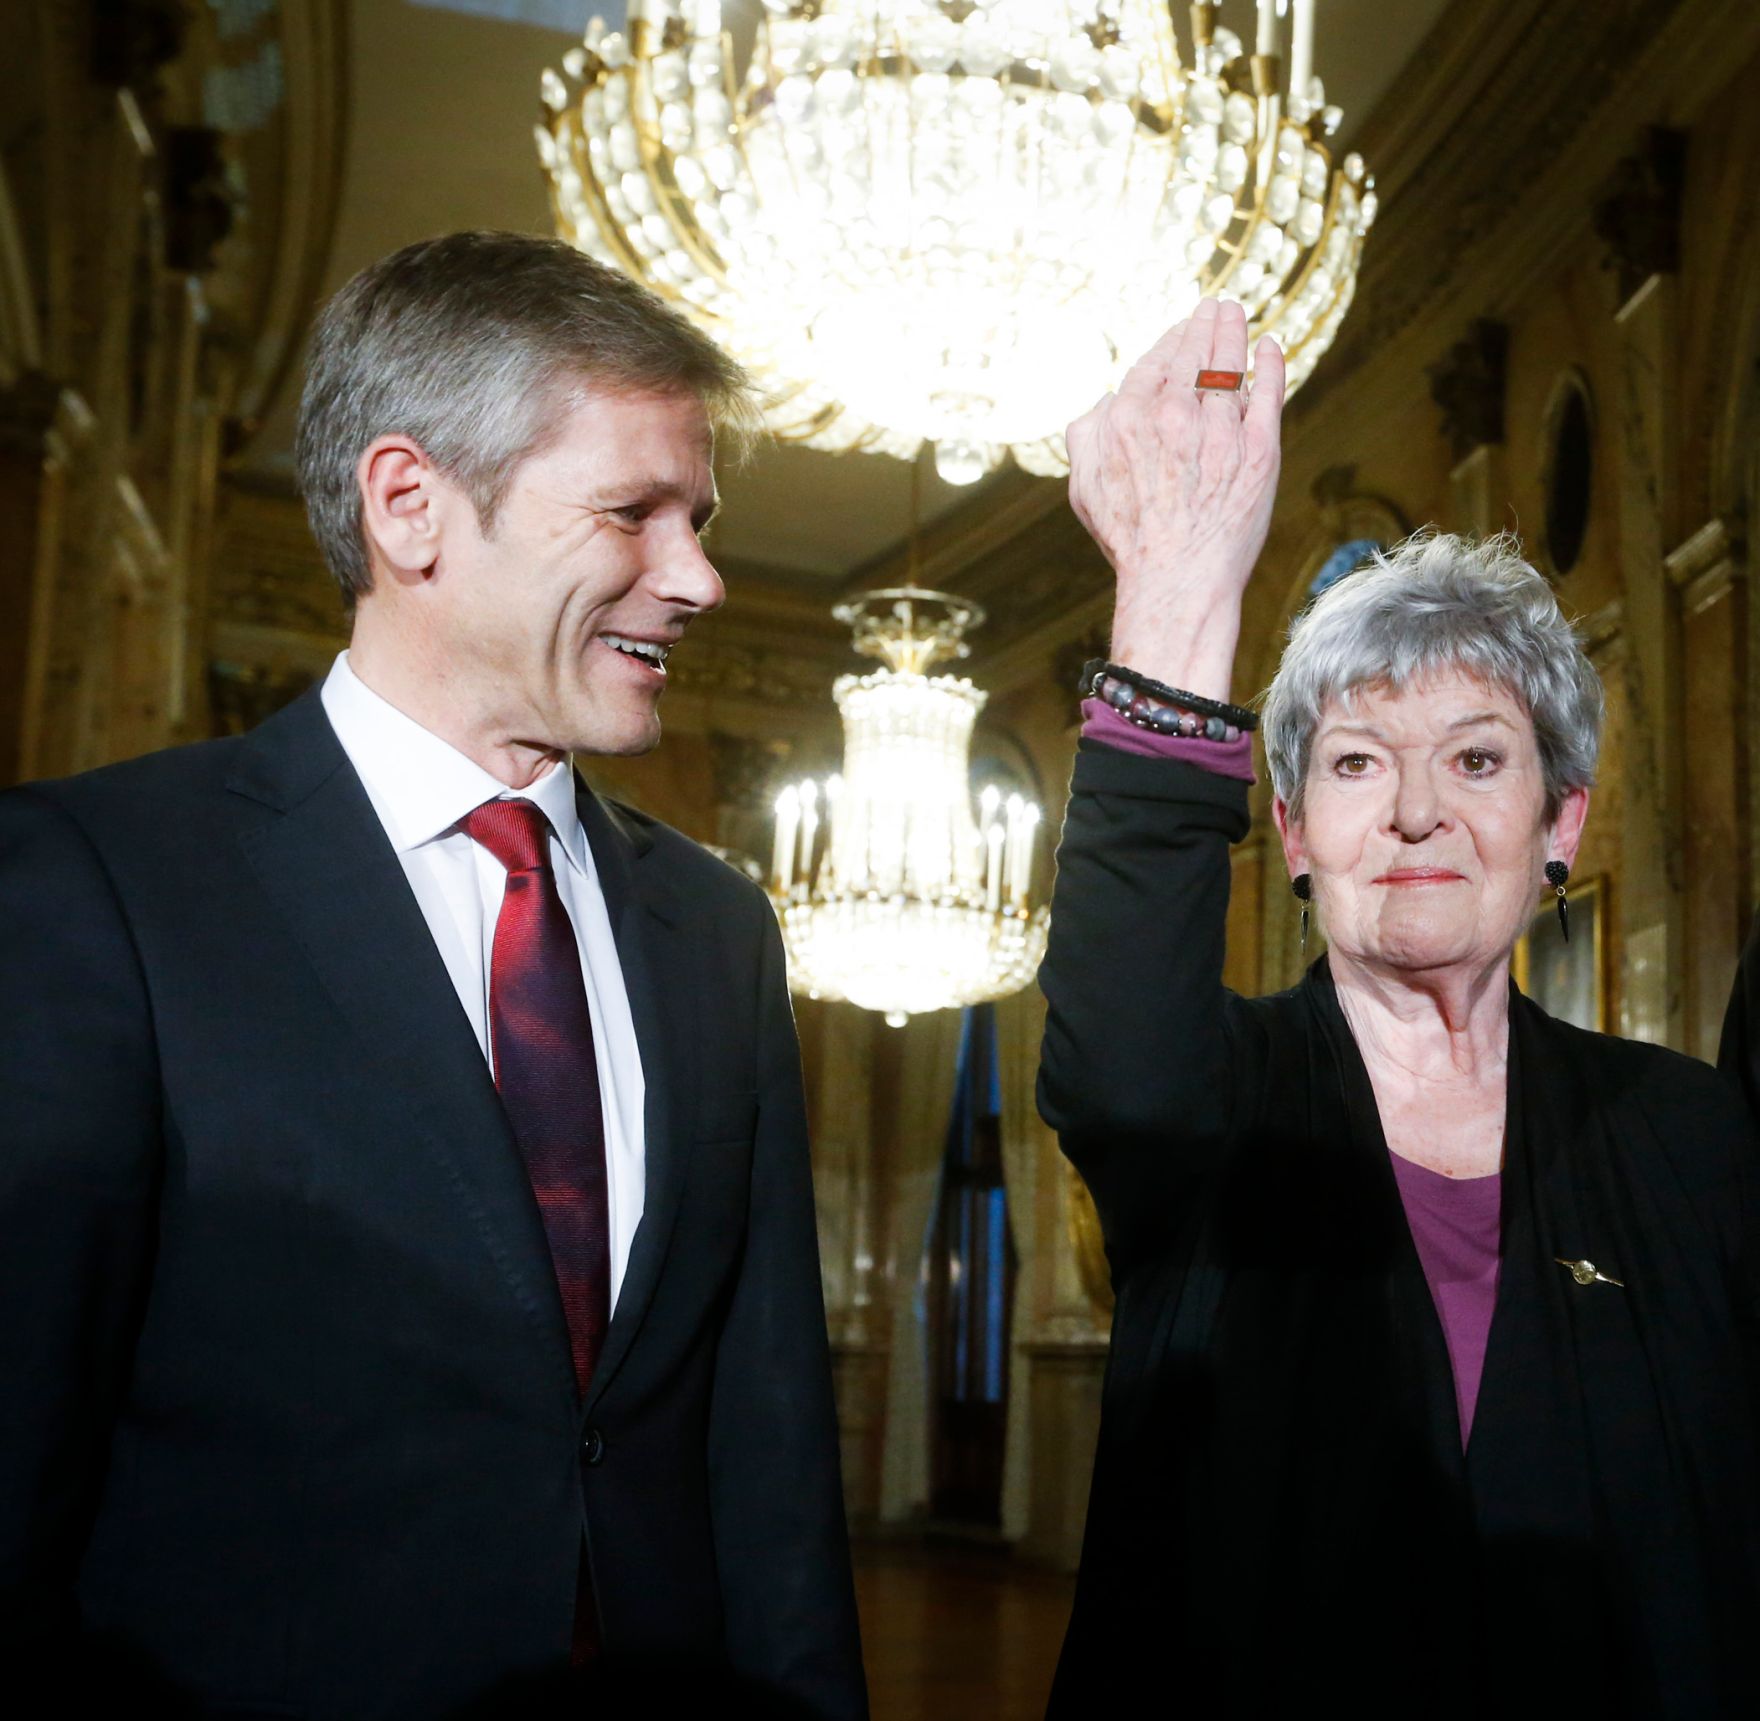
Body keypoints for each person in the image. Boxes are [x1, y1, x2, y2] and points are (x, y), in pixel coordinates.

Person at [0, 230, 866, 1719]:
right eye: (633, 513)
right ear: (411, 506)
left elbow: (766, 1447)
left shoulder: (719, 930)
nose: (702, 576)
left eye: (701, 517)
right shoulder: (102, 886)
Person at [1038, 299, 1760, 1717]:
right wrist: (1178, 592)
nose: (1420, 810)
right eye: (1360, 765)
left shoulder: (1689, 1133)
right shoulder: (1213, 1104)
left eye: (1478, 759)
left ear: (1563, 822)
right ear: (1295, 833)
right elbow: (1116, 1058)